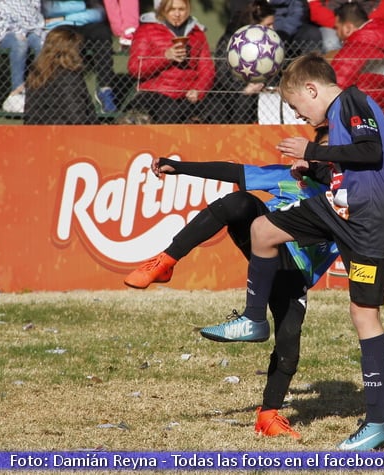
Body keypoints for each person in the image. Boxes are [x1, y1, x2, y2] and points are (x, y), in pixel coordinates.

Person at [199, 53, 384, 451]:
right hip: (337, 208)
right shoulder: (339, 114)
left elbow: (371, 152)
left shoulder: (354, 101)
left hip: (370, 222)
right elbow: (350, 166)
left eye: (297, 105)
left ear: (312, 89)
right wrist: (315, 170)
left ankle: (381, 419)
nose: (300, 114)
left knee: (364, 314)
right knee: (262, 230)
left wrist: (313, 152)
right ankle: (254, 320)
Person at [124, 127, 337, 439]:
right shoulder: (289, 177)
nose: (325, 160)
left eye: (332, 154)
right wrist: (180, 167)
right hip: (267, 253)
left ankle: (268, 416)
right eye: (321, 152)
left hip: (296, 276)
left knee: (289, 342)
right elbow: (233, 170)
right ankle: (165, 261)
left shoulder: (347, 199)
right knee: (239, 203)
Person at [126, 0, 215, 123]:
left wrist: (199, 90)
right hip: (155, 93)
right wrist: (165, 57)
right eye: (172, 9)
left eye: (181, 9)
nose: (177, 14)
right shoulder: (146, 30)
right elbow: (135, 69)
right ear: (163, 9)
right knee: (169, 109)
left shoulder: (197, 33)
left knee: (216, 107)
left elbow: (207, 69)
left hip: (188, 94)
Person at [42, 0, 119, 113]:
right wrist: (83, 6)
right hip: (59, 28)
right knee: (64, 41)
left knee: (102, 32)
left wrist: (64, 16)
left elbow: (97, 13)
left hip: (83, 24)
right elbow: (49, 9)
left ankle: (105, 90)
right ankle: (70, 93)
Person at [208, 0, 275, 124]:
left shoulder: (271, 44)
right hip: (228, 95)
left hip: (257, 92)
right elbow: (223, 74)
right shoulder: (230, 40)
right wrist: (244, 88)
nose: (272, 29)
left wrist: (262, 84)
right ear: (255, 24)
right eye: (268, 25)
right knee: (242, 100)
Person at [331, 2, 384, 121]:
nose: (336, 33)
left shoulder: (353, 51)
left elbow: (334, 87)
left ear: (347, 28)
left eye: (337, 27)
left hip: (357, 118)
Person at [24, 25, 97, 124]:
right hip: (66, 134)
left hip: (38, 133)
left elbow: (29, 114)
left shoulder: (36, 74)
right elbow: (76, 116)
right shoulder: (69, 76)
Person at [0, 0, 45, 107]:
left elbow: (35, 10)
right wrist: (17, 23)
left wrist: (25, 23)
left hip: (30, 28)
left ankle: (39, 89)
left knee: (43, 44)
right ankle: (17, 91)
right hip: (3, 30)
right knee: (20, 43)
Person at [306, 0, 384, 53]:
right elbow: (315, 7)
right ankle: (332, 78)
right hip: (332, 25)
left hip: (364, 24)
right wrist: (338, 24)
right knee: (330, 43)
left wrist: (361, 24)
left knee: (366, 44)